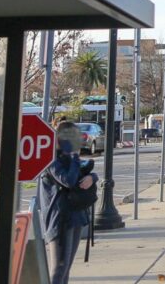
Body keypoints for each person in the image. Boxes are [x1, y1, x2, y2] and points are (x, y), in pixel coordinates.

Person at [38, 121, 98, 283]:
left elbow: (87, 170)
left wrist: (92, 178)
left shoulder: (68, 158)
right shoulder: (51, 160)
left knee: (67, 268)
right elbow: (69, 180)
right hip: (60, 219)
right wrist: (74, 156)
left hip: (76, 216)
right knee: (59, 269)